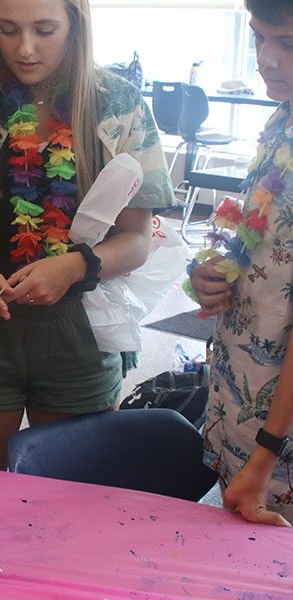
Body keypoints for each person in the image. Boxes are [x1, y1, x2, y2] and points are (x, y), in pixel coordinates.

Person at [0, 0, 173, 470]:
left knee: (73, 500)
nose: (24, 49)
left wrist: (79, 264)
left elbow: (137, 239)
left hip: (79, 333)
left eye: (45, 30)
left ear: (75, 26)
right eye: (7, 30)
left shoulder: (118, 106)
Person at [188, 0, 293, 528]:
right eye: (258, 38)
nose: (266, 60)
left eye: (288, 44)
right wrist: (209, 272)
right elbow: (264, 249)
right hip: (242, 399)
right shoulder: (283, 119)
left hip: (279, 442)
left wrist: (266, 454)